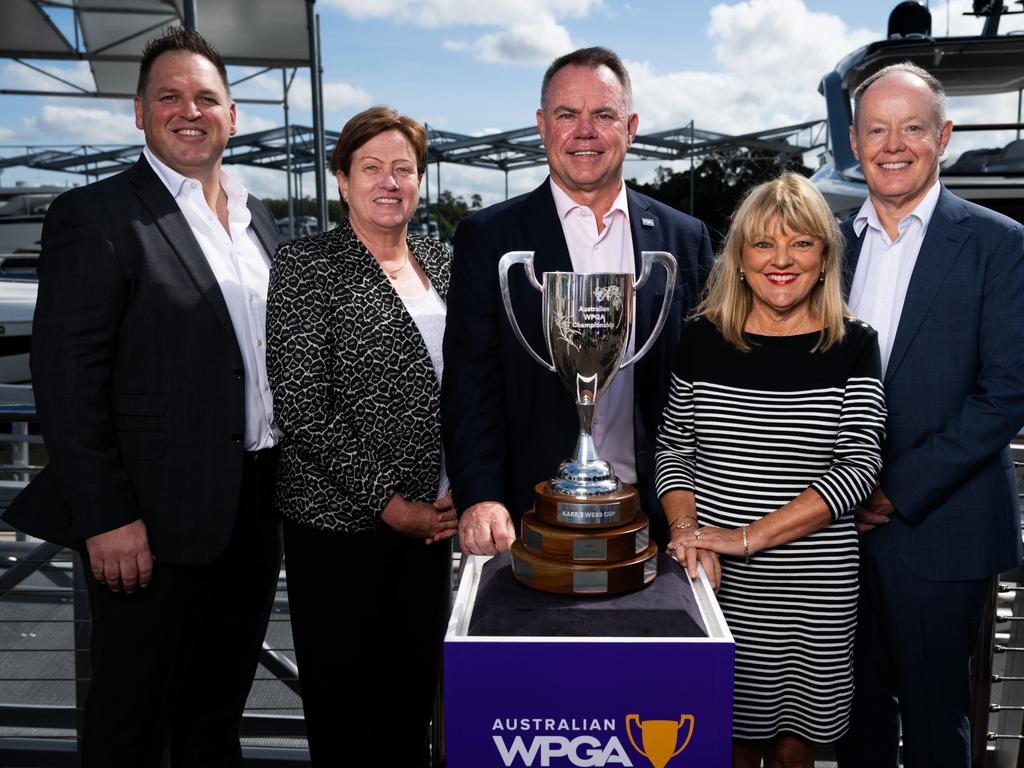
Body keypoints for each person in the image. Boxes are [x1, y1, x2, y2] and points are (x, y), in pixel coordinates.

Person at [2, 27, 281, 767]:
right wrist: (107, 517)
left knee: (216, 715)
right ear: (139, 113)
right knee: (131, 720)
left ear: (232, 114)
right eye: (170, 96)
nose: (189, 110)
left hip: (252, 510)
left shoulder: (259, 218)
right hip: (148, 524)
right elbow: (66, 379)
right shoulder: (96, 217)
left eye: (207, 97)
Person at [442, 47, 713, 554]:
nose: (584, 131)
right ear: (543, 126)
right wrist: (479, 496)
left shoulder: (683, 239)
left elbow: (707, 388)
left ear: (630, 127)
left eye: (603, 115)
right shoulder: (488, 238)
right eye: (568, 115)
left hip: (656, 518)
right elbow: (470, 383)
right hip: (528, 515)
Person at [656, 172, 887, 768]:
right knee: (723, 744)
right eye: (763, 244)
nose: (781, 260)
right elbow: (674, 451)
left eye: (801, 242)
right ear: (738, 258)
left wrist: (743, 539)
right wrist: (686, 534)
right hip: (718, 586)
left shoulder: (854, 343)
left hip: (816, 590)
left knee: (793, 752)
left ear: (825, 256)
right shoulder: (700, 339)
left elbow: (859, 468)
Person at [834, 63, 1024, 768]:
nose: (894, 144)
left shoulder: (998, 244)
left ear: (943, 136)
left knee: (937, 721)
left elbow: (1004, 393)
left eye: (912, 128)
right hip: (833, 534)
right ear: (854, 141)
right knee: (852, 721)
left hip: (941, 530)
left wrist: (893, 488)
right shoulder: (828, 245)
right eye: (877, 128)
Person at [267, 106, 456, 767]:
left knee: (410, 708)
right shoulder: (305, 264)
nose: (389, 181)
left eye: (404, 168)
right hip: (340, 530)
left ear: (421, 181)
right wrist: (390, 504)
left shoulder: (441, 259)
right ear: (341, 180)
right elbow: (301, 406)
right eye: (371, 167)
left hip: (432, 526)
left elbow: (465, 384)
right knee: (348, 716)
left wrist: (457, 488)